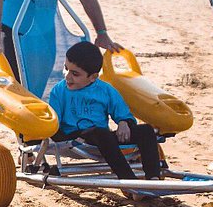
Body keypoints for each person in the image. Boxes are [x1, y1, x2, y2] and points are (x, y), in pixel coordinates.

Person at [47, 41, 161, 192]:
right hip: (74, 138)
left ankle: (154, 179)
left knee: (146, 130)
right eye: (66, 68)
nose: (67, 76)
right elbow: (54, 123)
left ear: (93, 77)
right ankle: (129, 181)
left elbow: (122, 113)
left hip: (104, 139)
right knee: (100, 132)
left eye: (75, 74)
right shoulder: (59, 91)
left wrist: (123, 123)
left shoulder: (105, 90)